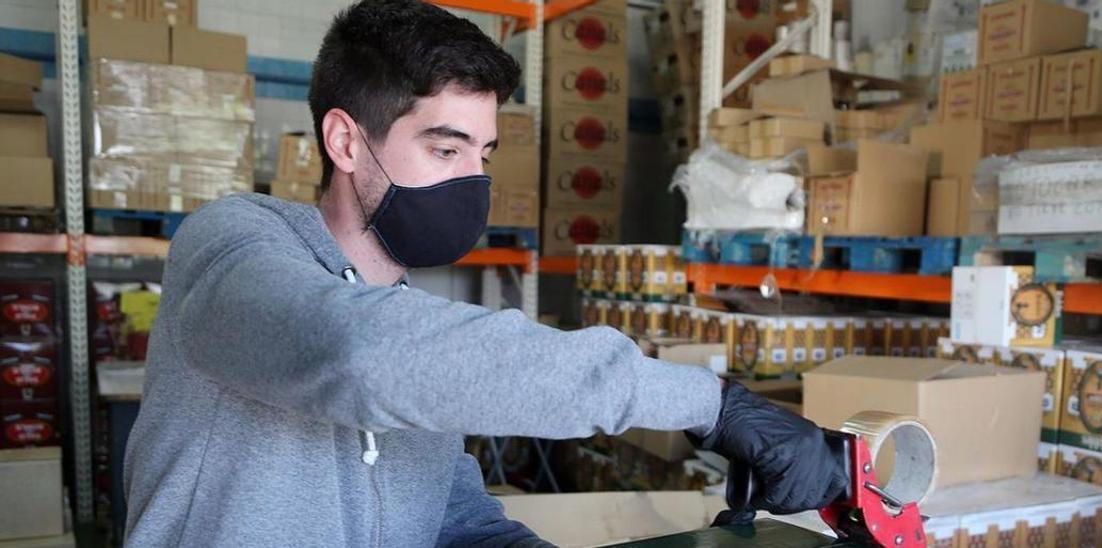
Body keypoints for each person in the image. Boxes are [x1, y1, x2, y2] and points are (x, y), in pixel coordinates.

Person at [123, 1, 846, 546]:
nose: (475, 181)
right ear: (345, 140)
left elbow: (450, 515)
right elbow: (358, 355)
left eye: (485, 154)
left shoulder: (410, 322)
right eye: (446, 150)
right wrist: (706, 404)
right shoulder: (229, 246)